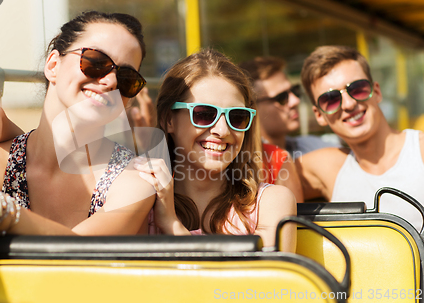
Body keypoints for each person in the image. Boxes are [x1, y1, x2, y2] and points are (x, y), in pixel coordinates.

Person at [0, 11, 156, 293]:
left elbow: (81, 254)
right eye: (95, 62)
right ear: (53, 65)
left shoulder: (137, 179)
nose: (109, 82)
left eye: (127, 78)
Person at [133, 48, 296, 252]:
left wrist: (172, 225)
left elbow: (264, 281)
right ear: (168, 120)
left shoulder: (272, 203)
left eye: (237, 117)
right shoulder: (140, 198)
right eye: (204, 114)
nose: (222, 130)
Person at [296, 45, 424, 229]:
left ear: (377, 92)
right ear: (319, 115)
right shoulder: (328, 167)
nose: (348, 104)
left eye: (357, 89)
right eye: (330, 99)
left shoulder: (419, 151)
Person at [238, 56, 341, 160]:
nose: (295, 101)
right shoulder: (243, 166)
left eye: (294, 90)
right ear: (251, 108)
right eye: (282, 98)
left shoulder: (312, 146)